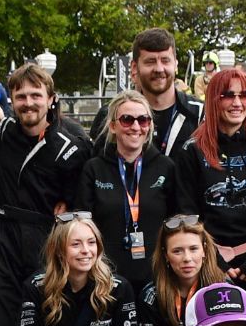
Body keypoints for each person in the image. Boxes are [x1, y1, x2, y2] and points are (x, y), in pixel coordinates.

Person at [0, 62, 90, 326]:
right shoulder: (2, 132)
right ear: (11, 100)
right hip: (4, 236)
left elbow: (82, 193)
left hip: (47, 237)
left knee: (47, 317)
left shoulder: (72, 143)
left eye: (35, 95)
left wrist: (69, 205)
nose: (28, 103)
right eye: (21, 96)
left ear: (51, 98)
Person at [172, 66, 246, 309]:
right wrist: (215, 262)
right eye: (228, 95)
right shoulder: (192, 150)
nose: (237, 102)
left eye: (244, 95)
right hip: (211, 263)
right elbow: (188, 212)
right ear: (214, 100)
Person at [73, 91, 190, 288]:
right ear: (113, 125)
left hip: (156, 278)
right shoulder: (94, 168)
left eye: (143, 120)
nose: (136, 127)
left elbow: (179, 221)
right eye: (127, 120)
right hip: (106, 278)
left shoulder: (166, 167)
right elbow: (82, 224)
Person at [17, 214, 144, 326]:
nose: (86, 250)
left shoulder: (119, 288)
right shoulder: (36, 286)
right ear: (59, 251)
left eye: (91, 242)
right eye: (75, 244)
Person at [89, 29, 203, 160]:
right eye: (150, 61)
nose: (159, 69)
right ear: (134, 67)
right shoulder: (110, 114)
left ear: (175, 65)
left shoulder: (201, 114)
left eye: (165, 61)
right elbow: (98, 169)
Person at [141, 215, 228, 326]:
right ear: (165, 255)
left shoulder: (224, 291)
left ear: (204, 250)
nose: (187, 258)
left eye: (193, 249)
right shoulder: (150, 297)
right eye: (177, 251)